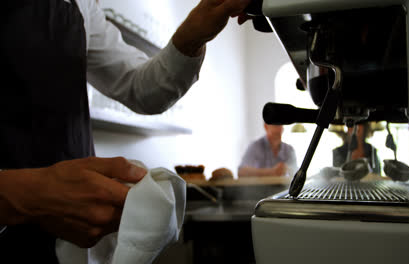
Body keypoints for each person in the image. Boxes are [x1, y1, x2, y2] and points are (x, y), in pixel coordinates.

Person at [0, 0, 252, 262]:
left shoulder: (83, 6)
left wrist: (193, 34)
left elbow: (140, 89)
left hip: (71, 237)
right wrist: (26, 194)